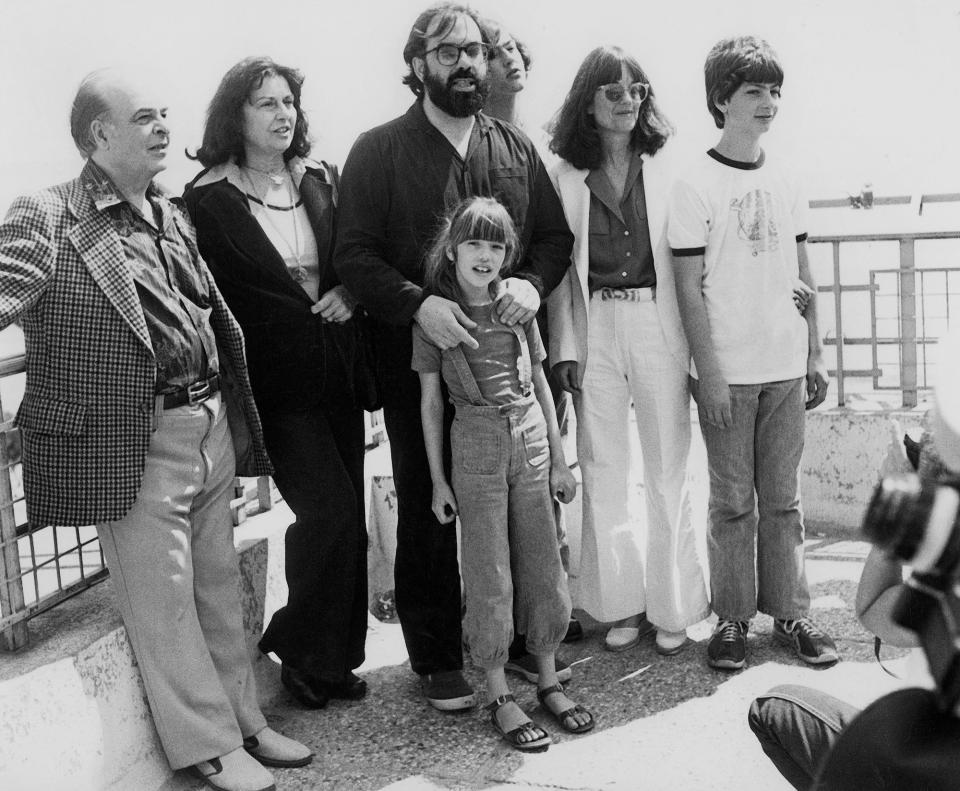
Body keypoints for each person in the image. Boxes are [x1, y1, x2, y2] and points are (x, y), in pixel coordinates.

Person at [0, 68, 311, 791]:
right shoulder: (48, 216)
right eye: (145, 117)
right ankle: (206, 745)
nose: (164, 126)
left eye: (166, 112)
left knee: (216, 586)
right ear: (99, 134)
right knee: (162, 600)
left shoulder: (168, 210)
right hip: (130, 439)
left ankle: (246, 722)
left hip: (208, 421)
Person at [333, 2, 573, 711]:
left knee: (526, 511)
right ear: (417, 66)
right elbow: (353, 253)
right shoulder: (377, 150)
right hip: (422, 365)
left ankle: (531, 646)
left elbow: (553, 241)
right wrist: (418, 304)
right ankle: (439, 656)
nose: (466, 63)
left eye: (473, 51)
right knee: (429, 505)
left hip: (510, 369)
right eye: (447, 53)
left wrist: (530, 284)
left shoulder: (515, 148)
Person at [183, 57, 368, 712]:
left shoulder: (319, 178)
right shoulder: (205, 198)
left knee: (354, 518)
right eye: (265, 103)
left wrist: (348, 289)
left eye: (288, 101)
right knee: (329, 511)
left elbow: (352, 253)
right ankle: (296, 646)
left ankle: (334, 660)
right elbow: (200, 297)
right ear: (235, 114)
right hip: (274, 387)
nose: (282, 113)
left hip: (339, 372)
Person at [667, 35, 838, 671]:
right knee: (732, 500)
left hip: (786, 367)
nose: (768, 103)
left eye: (773, 91)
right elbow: (688, 289)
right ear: (721, 100)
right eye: (753, 92)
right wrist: (707, 373)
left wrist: (816, 351)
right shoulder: (693, 183)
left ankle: (792, 614)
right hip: (727, 374)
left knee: (785, 500)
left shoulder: (788, 175)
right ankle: (733, 619)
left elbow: (803, 268)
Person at [547, 46, 710, 655]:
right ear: (587, 102)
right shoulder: (564, 175)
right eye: (612, 92)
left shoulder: (671, 168)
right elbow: (560, 271)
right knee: (603, 467)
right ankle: (620, 604)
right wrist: (565, 347)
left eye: (635, 91)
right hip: (596, 329)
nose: (626, 102)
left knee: (668, 467)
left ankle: (674, 608)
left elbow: (700, 256)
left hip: (657, 324)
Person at [414, 196, 592, 751]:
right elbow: (430, 403)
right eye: (475, 243)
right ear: (453, 249)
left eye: (497, 245)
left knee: (544, 562)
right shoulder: (435, 317)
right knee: (490, 571)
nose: (486, 255)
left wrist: (560, 459)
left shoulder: (518, 308)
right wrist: (439, 481)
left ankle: (545, 678)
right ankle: (496, 692)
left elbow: (541, 385)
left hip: (532, 440)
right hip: (475, 443)